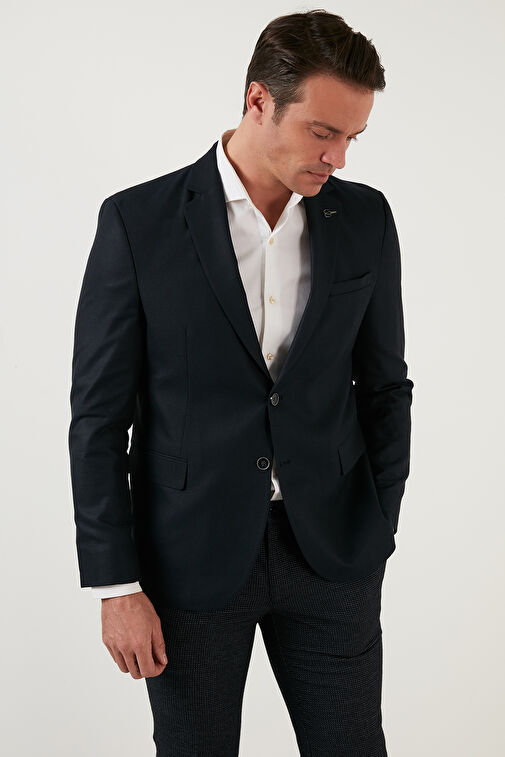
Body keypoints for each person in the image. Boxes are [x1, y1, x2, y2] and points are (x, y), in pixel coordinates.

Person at [68, 9, 414, 755]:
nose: (338, 158)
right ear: (259, 100)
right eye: (323, 132)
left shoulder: (365, 219)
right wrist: (116, 585)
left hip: (332, 552)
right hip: (187, 559)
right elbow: (97, 418)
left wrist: (377, 525)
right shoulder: (138, 222)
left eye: (353, 138)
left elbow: (386, 387)